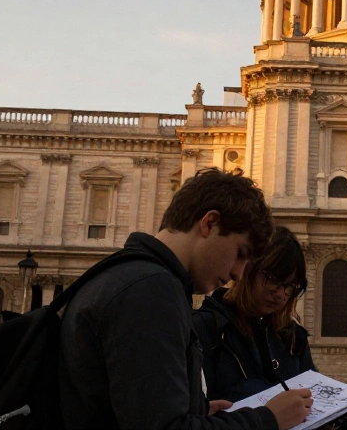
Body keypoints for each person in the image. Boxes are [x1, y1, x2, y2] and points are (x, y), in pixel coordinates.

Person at [58, 168, 313, 430]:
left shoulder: (128, 276)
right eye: (240, 253)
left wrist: (197, 410)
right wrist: (266, 420)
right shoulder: (151, 292)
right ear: (209, 223)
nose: (238, 273)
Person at [194, 226, 316, 403]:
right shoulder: (206, 328)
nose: (281, 294)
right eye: (274, 280)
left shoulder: (293, 337)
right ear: (248, 269)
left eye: (290, 287)